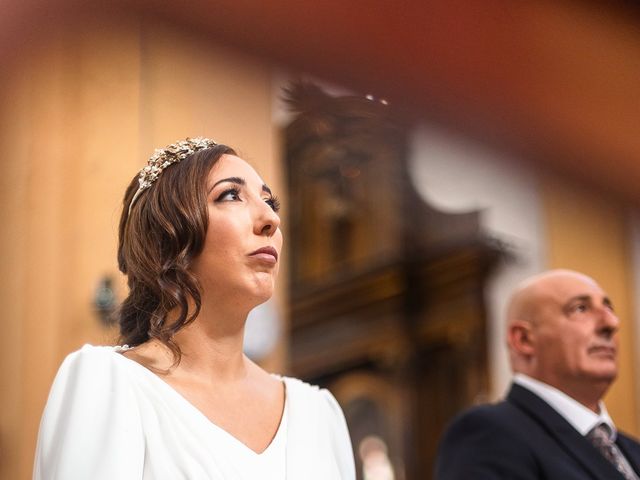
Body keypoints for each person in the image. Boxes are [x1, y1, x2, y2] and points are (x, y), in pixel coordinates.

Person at [33, 137, 356, 479]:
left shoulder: (317, 415)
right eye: (231, 195)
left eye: (270, 202)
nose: (270, 220)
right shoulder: (111, 384)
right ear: (168, 236)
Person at [435, 269, 640, 479]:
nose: (612, 323)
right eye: (580, 308)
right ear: (523, 339)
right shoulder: (487, 433)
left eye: (609, 308)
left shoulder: (633, 450)